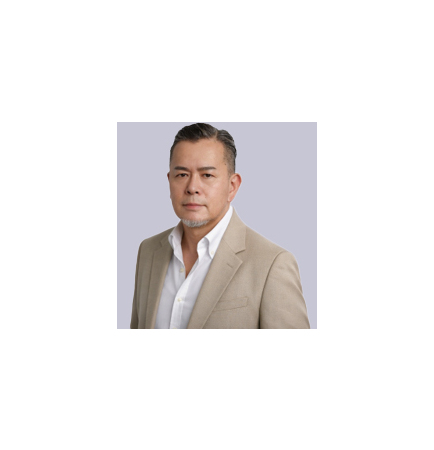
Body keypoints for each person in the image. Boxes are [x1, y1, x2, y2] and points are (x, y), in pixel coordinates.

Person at [130, 123, 310, 329]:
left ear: (232, 186)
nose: (192, 187)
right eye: (182, 175)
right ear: (169, 181)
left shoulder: (272, 264)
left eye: (207, 175)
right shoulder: (149, 251)